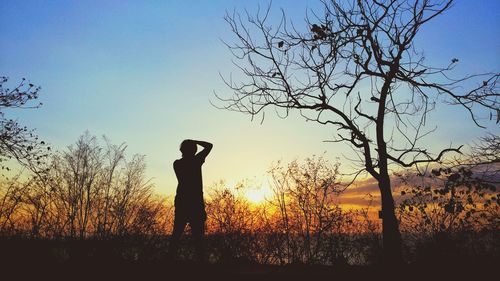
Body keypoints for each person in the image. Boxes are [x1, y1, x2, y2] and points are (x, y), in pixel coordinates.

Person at [169, 139, 213, 262]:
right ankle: (201, 264)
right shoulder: (196, 161)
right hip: (195, 203)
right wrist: (195, 141)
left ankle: (169, 261)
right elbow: (209, 146)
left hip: (182, 201)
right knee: (198, 237)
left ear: (182, 150)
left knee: (176, 234)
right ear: (194, 150)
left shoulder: (177, 163)